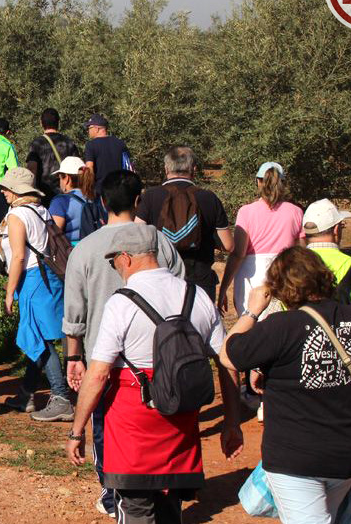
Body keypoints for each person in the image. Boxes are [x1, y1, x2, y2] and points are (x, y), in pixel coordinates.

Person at [220, 247, 351, 524]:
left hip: (294, 459)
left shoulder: (279, 326)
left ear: (279, 287)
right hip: (347, 458)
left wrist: (251, 311)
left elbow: (228, 356)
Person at [67, 224, 244, 524]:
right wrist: (232, 422)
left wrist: (76, 430)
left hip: (132, 430)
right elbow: (227, 363)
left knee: (134, 510)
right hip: (180, 427)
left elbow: (97, 375)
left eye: (113, 262)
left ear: (126, 258)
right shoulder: (197, 296)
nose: (115, 268)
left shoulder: (121, 303)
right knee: (170, 509)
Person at [61, 170, 185, 518]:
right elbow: (179, 290)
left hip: (106, 360)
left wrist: (74, 356)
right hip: (158, 357)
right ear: (137, 200)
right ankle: (157, 493)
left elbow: (75, 311)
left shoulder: (85, 249)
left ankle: (116, 493)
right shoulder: (159, 242)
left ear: (102, 202)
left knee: (105, 427)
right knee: (160, 429)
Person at [0, 168, 73, 422]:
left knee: (40, 338)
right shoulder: (41, 210)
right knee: (38, 335)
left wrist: (9, 293)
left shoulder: (17, 215)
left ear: (17, 191)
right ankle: (26, 393)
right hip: (48, 277)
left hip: (33, 280)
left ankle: (61, 397)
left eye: (6, 188)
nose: (3, 192)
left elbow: (18, 256)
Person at [135, 146, 233, 300]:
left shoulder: (150, 196)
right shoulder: (209, 198)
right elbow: (228, 245)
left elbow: (137, 237)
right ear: (193, 169)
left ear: (166, 169)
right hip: (200, 282)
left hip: (162, 280)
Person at [217, 162, 303, 315]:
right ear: (282, 182)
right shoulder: (296, 212)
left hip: (251, 275)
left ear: (258, 181)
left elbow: (238, 255)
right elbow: (301, 250)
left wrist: (223, 289)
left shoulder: (246, 212)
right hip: (285, 273)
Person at [48, 156, 105, 245]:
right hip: (97, 247)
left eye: (59, 177)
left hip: (72, 253)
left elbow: (54, 234)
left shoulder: (60, 201)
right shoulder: (96, 197)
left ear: (66, 178)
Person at [26, 107, 81, 199]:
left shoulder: (37, 143)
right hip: (67, 193)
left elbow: (32, 170)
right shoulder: (69, 143)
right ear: (58, 123)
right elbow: (78, 169)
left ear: (41, 123)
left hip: (44, 194)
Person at [82, 114, 133, 186]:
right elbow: (129, 167)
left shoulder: (91, 145)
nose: (88, 131)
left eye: (89, 128)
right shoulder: (120, 143)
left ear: (97, 129)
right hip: (119, 188)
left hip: (101, 190)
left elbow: (89, 168)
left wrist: (87, 188)